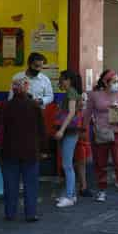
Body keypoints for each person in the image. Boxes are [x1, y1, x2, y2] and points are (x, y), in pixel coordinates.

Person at [0, 77, 46, 222]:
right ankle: (31, 213)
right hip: (30, 151)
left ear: (13, 89)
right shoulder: (34, 106)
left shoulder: (5, 106)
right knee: (30, 184)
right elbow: (41, 131)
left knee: (10, 184)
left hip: (9, 151)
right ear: (27, 88)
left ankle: (10, 213)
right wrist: (43, 150)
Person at [84, 70, 118, 203]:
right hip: (101, 132)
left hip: (117, 131)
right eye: (113, 81)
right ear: (105, 82)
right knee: (101, 162)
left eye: (117, 81)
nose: (116, 84)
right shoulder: (95, 95)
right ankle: (102, 190)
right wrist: (84, 130)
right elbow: (87, 113)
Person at [54, 70, 83, 207]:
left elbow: (71, 113)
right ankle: (70, 193)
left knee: (67, 165)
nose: (61, 82)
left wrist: (61, 130)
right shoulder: (73, 91)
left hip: (69, 131)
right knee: (68, 164)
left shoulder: (71, 92)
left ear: (69, 80)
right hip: (71, 131)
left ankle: (70, 196)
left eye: (62, 79)